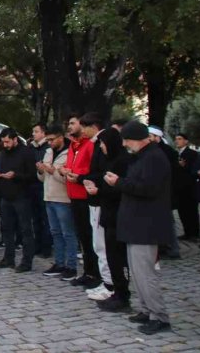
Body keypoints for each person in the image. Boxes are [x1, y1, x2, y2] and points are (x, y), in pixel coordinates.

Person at [106, 121, 172, 335]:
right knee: (137, 272)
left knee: (145, 274)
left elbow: (148, 189)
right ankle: (146, 310)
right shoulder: (142, 157)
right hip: (135, 223)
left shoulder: (154, 158)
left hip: (147, 225)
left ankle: (159, 316)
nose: (124, 144)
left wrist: (118, 183)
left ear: (139, 139)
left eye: (127, 140)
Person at [84, 128, 132, 312]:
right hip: (108, 212)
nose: (101, 147)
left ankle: (121, 293)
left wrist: (100, 190)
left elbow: (122, 188)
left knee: (117, 257)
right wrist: (90, 182)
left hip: (118, 215)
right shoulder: (109, 159)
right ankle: (117, 292)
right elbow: (101, 178)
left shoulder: (123, 161)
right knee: (111, 255)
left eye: (103, 143)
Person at [72, 113, 112, 298]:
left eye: (83, 127)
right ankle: (100, 278)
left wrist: (82, 178)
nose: (82, 131)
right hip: (91, 196)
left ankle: (107, 282)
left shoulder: (100, 143)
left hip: (98, 198)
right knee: (95, 243)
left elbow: (102, 171)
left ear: (93, 126)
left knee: (101, 245)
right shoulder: (94, 143)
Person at [62, 114, 101, 288]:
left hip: (86, 196)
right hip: (73, 195)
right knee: (83, 237)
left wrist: (78, 177)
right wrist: (65, 170)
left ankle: (97, 274)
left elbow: (94, 170)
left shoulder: (90, 145)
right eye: (69, 123)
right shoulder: (73, 145)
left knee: (91, 237)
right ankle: (88, 271)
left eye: (73, 123)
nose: (70, 126)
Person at [0, 128, 36, 271]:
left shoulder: (26, 153)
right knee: (7, 229)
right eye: (3, 142)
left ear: (15, 139)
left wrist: (16, 175)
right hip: (6, 196)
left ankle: (27, 261)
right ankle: (8, 258)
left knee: (25, 230)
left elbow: (32, 176)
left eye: (7, 142)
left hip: (22, 197)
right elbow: (2, 172)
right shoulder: (4, 153)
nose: (5, 145)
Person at [38, 125, 77, 280]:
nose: (50, 143)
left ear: (61, 137)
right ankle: (59, 263)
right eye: (48, 140)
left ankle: (71, 266)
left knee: (68, 233)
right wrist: (40, 170)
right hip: (48, 196)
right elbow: (42, 178)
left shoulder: (70, 153)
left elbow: (67, 178)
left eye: (52, 139)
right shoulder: (48, 152)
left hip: (63, 198)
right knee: (55, 232)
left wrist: (53, 171)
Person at [148, 126, 182, 259]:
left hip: (165, 193)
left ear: (157, 137)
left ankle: (173, 249)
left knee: (167, 222)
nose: (148, 139)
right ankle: (163, 247)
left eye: (150, 136)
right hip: (159, 193)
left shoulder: (166, 152)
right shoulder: (155, 150)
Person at [28, 123, 53, 257]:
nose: (34, 134)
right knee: (35, 218)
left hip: (43, 186)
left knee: (45, 218)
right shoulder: (31, 147)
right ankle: (37, 245)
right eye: (33, 131)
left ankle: (46, 247)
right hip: (32, 185)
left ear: (43, 133)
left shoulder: (48, 148)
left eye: (36, 131)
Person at [173, 132, 200, 241]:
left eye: (179, 139)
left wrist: (183, 166)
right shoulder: (176, 153)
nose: (177, 141)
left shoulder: (192, 153)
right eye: (176, 139)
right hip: (179, 188)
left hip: (189, 188)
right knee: (182, 211)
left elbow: (194, 169)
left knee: (191, 211)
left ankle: (195, 234)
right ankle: (187, 232)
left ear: (186, 141)